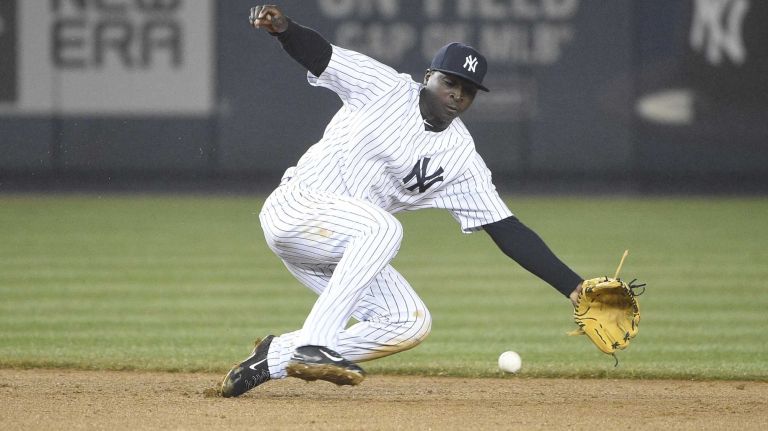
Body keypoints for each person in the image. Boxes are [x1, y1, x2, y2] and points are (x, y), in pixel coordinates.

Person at [220, 4, 585, 397]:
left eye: (467, 91)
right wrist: (284, 29)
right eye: (450, 82)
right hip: (297, 208)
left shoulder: (461, 156)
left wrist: (574, 286)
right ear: (428, 77)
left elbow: (506, 228)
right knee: (383, 227)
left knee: (408, 322)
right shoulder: (384, 87)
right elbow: (321, 54)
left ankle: (273, 357)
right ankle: (315, 346)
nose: (457, 95)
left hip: (345, 250)